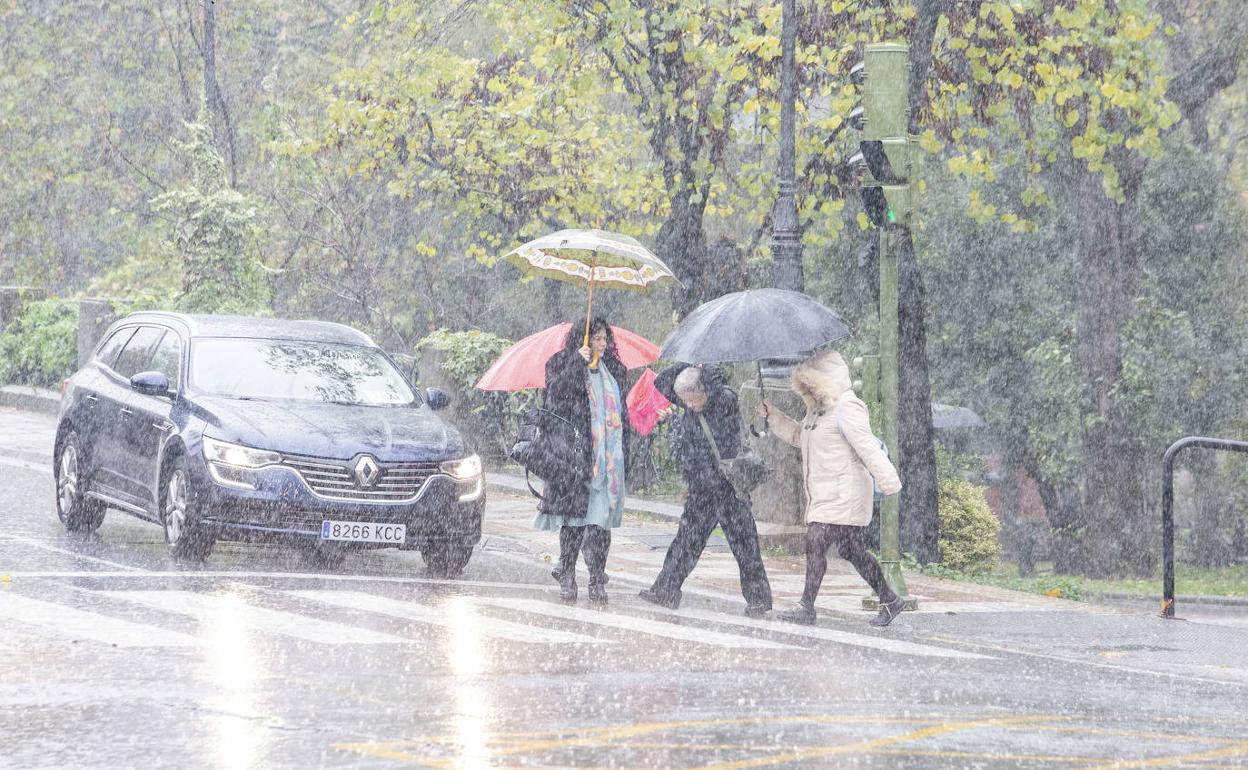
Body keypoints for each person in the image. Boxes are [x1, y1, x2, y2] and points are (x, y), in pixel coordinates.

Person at [761, 350, 904, 627]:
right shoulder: (817, 411)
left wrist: (889, 482)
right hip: (824, 494)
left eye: (811, 385)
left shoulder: (848, 407)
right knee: (852, 551)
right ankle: (890, 599)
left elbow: (868, 447)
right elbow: (798, 437)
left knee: (815, 540)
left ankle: (806, 606)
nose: (808, 392)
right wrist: (773, 416)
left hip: (845, 493)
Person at [638, 363, 772, 617]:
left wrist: (705, 378)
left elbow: (720, 444)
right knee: (686, 542)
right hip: (701, 489)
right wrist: (692, 364)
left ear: (705, 390)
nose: (688, 405)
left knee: (745, 544)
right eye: (685, 400)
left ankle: (758, 599)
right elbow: (664, 383)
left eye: (692, 399)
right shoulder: (692, 402)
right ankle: (666, 590)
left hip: (728, 487)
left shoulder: (724, 400)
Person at [534, 318, 629, 604]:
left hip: (607, 459)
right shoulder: (560, 363)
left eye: (604, 340)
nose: (601, 345)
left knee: (601, 525)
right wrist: (576, 364)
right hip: (574, 458)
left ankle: (598, 579)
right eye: (596, 339)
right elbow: (554, 399)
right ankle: (568, 575)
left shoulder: (613, 369)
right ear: (583, 340)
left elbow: (621, 414)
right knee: (574, 521)